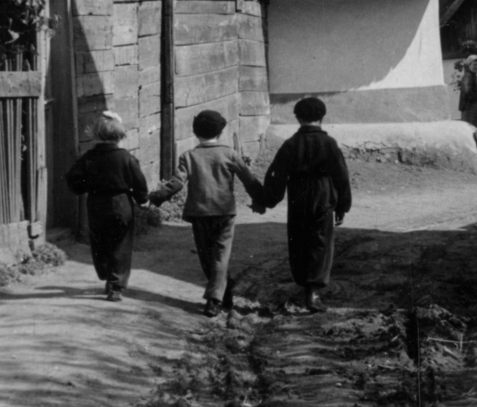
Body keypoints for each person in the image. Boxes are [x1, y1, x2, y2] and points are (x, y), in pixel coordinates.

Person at [149, 109, 267, 317]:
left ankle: (214, 299)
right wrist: (260, 200)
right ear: (221, 131)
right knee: (220, 256)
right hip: (224, 213)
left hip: (199, 213)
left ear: (195, 132)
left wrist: (158, 197)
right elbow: (248, 179)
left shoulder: (189, 156)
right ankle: (223, 293)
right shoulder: (230, 153)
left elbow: (176, 183)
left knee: (206, 256)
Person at [261, 96, 352, 313]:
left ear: (298, 117)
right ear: (322, 117)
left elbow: (276, 174)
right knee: (320, 241)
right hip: (323, 195)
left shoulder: (291, 144)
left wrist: (268, 199)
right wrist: (342, 205)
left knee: (299, 239)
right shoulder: (329, 144)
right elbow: (341, 176)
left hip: (298, 196)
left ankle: (304, 284)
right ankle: (314, 291)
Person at [64, 111, 149, 301]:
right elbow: (139, 182)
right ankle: (115, 286)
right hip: (122, 204)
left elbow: (73, 179)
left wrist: (84, 186)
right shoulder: (127, 158)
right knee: (121, 244)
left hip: (96, 203)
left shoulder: (88, 158)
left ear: (95, 134)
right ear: (120, 136)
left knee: (99, 242)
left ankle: (105, 274)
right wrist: (142, 199)